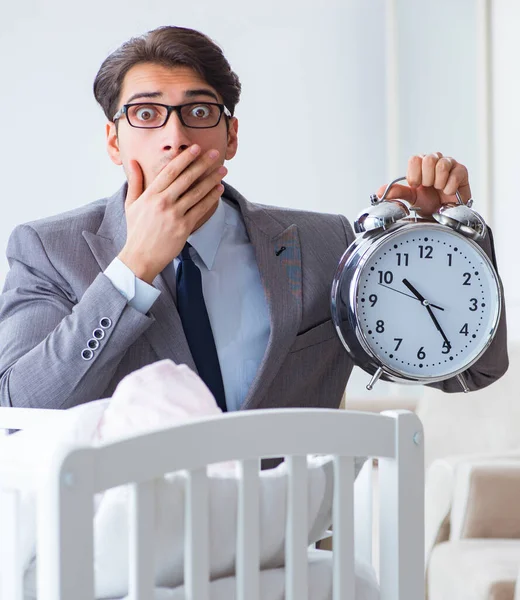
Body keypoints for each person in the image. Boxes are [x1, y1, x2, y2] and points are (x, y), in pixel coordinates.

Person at [0, 26, 508, 411]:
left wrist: (442, 239)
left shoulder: (323, 244)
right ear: (114, 141)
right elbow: (20, 407)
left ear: (231, 137)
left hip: (282, 543)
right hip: (125, 543)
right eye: (147, 114)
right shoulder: (48, 250)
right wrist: (133, 267)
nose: (175, 136)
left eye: (199, 112)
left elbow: (473, 371)